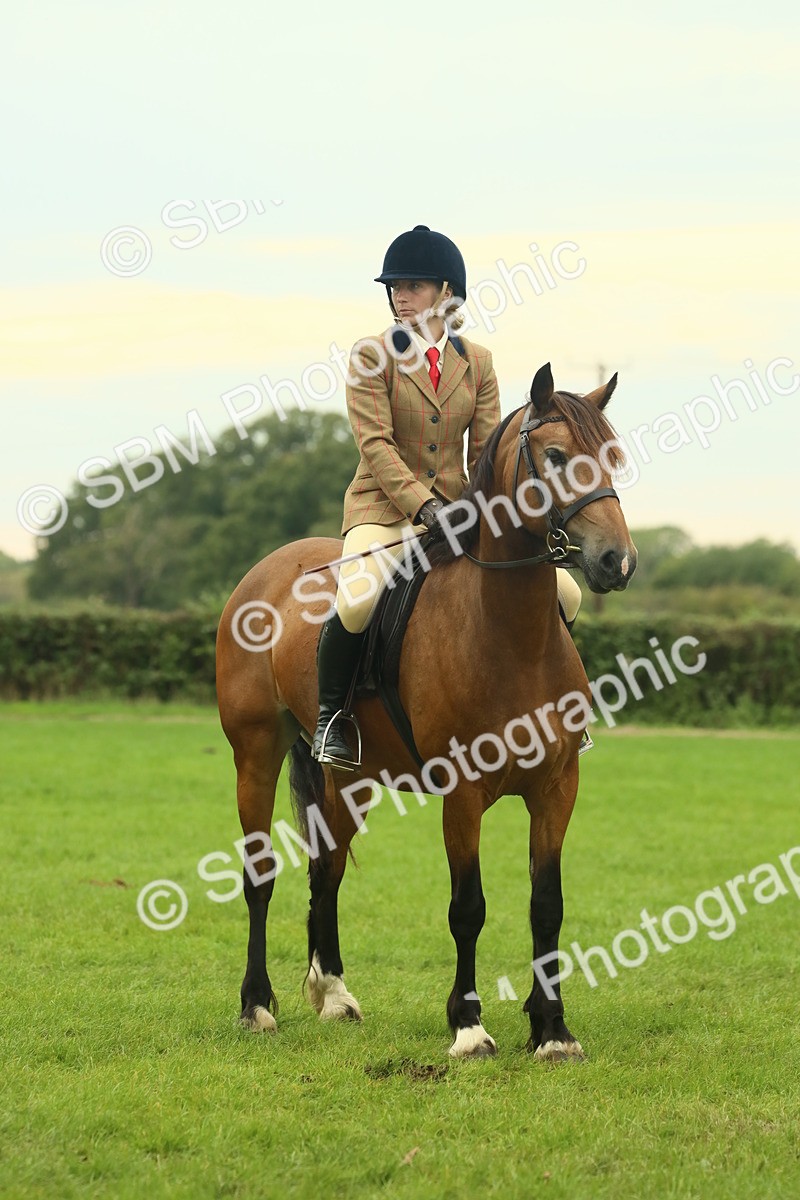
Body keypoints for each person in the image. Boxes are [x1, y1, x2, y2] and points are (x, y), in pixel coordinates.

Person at [310, 224, 583, 768]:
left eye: (412, 284)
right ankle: (332, 719)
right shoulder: (371, 357)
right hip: (383, 508)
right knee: (357, 599)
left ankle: (550, 705)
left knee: (568, 595)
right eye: (393, 285)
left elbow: (485, 451)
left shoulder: (477, 362)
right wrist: (424, 506)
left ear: (445, 294)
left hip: (459, 512)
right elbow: (375, 445)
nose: (398, 295)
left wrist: (480, 511)